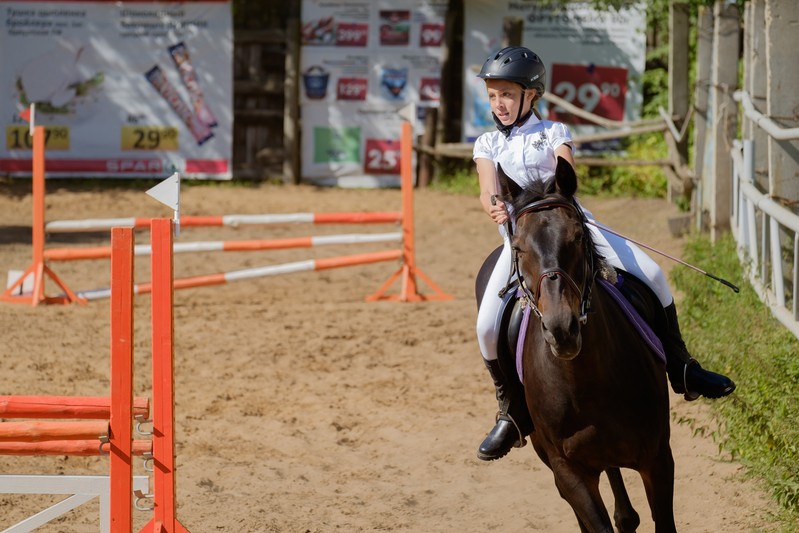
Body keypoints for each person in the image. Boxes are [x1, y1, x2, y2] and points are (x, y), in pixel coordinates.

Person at [472, 46, 736, 462]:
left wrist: (564, 175)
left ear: (531, 96)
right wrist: (493, 203)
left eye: (506, 94)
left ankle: (682, 366)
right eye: (492, 96)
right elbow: (488, 185)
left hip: (570, 224)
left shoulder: (554, 132)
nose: (498, 104)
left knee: (652, 272)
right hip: (523, 237)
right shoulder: (487, 143)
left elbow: (566, 167)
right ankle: (511, 411)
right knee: (487, 324)